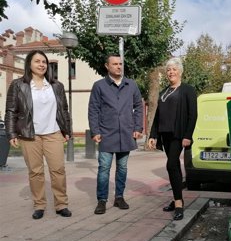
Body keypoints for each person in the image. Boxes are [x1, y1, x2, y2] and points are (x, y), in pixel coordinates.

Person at [5, 50, 72, 220]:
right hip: (29, 135)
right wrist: (11, 133)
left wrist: (67, 130)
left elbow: (64, 110)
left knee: (58, 170)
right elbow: (11, 110)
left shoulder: (56, 86)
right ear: (29, 64)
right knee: (35, 172)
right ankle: (39, 205)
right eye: (37, 61)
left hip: (53, 133)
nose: (42, 64)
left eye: (44, 61)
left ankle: (61, 204)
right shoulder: (18, 85)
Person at [88, 54, 143, 215]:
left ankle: (119, 197)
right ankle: (102, 200)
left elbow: (139, 107)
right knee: (104, 168)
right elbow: (93, 110)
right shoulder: (99, 86)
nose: (119, 66)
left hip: (125, 133)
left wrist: (138, 127)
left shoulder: (131, 85)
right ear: (107, 66)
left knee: (122, 168)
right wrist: (95, 131)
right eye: (115, 64)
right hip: (106, 134)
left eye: (120, 64)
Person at [148, 57, 197, 221]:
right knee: (174, 165)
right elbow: (157, 115)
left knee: (171, 165)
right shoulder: (164, 92)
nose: (171, 72)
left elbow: (192, 115)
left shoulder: (188, 90)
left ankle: (178, 204)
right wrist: (153, 135)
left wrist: (188, 136)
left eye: (174, 69)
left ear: (180, 71)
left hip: (178, 134)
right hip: (165, 134)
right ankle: (178, 199)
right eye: (168, 70)